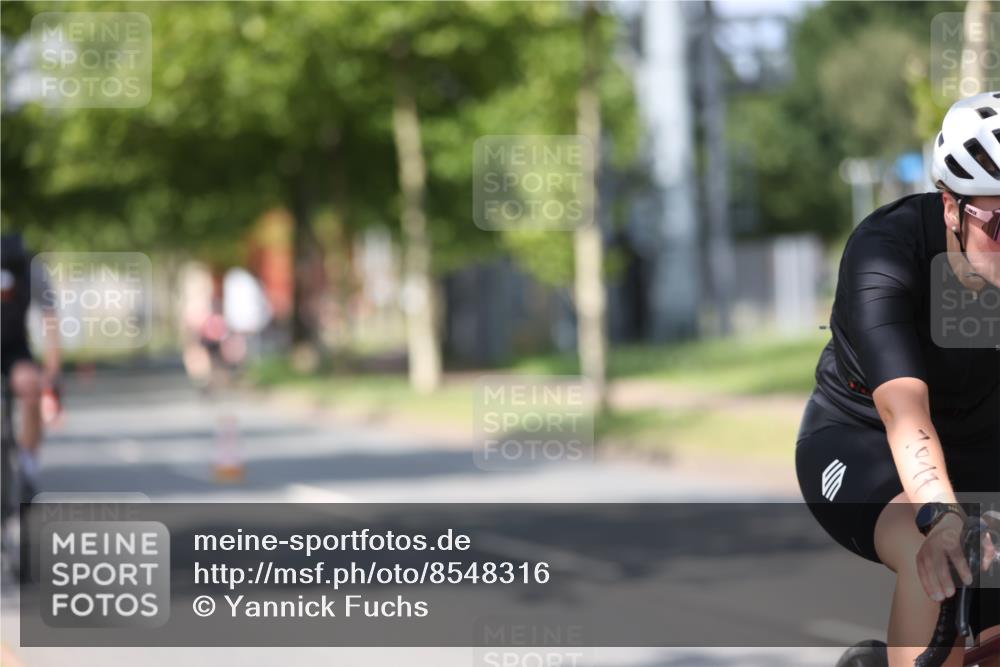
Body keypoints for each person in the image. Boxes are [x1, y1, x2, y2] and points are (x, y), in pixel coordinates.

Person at [796, 90, 1000, 667]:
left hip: (981, 438)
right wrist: (942, 516)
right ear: (951, 207)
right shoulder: (884, 253)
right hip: (861, 439)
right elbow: (904, 413)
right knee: (938, 557)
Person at [1, 233, 60, 498]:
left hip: (15, 347)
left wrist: (51, 371)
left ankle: (27, 461)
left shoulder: (31, 269)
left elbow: (50, 319)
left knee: (30, 386)